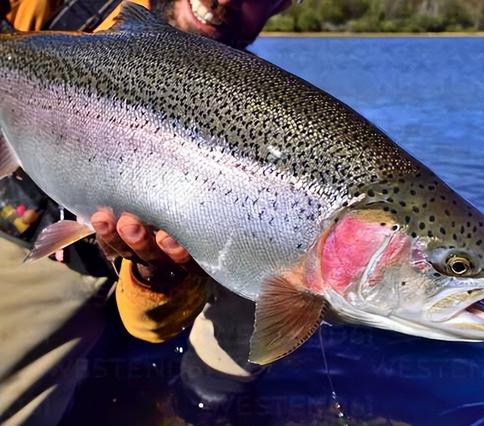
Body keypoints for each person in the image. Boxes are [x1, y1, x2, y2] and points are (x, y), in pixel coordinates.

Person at [0, 1, 294, 424]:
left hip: (125, 274)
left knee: (287, 269)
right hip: (24, 232)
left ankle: (197, 405)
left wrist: (157, 277)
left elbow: (150, 324)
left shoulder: (266, 112)